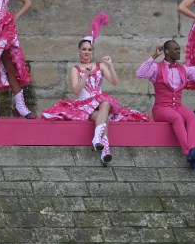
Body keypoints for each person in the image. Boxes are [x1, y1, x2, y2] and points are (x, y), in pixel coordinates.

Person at [42, 12, 150, 165]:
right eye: (84, 49)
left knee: (105, 103)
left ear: (92, 52)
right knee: (102, 114)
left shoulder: (100, 66)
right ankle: (105, 148)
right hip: (85, 105)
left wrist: (111, 65)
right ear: (79, 52)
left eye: (89, 50)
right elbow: (75, 91)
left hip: (100, 103)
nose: (87, 52)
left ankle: (98, 141)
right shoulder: (75, 69)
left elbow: (114, 81)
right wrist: (85, 76)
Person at [136, 41, 195, 169]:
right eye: (175, 49)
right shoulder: (156, 67)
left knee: (191, 116)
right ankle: (189, 152)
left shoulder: (183, 69)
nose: (179, 52)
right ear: (166, 52)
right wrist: (154, 56)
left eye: (179, 49)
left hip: (177, 106)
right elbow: (139, 73)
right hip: (160, 108)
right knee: (177, 118)